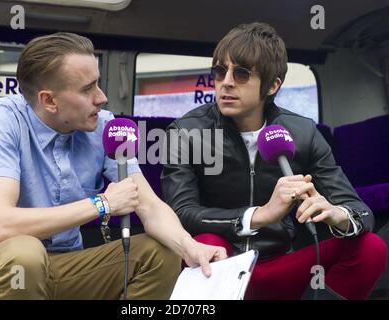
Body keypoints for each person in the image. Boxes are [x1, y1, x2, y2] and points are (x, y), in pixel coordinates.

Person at [0, 32, 226, 300]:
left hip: (67, 268)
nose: (102, 97)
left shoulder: (105, 125)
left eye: (98, 83)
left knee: (161, 251)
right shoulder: (2, 119)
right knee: (25, 253)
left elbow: (150, 206)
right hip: (1, 272)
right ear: (49, 100)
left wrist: (191, 247)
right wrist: (102, 204)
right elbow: (1, 227)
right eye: (87, 89)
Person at [161, 22, 387, 300]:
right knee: (207, 243)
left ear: (272, 85)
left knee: (371, 248)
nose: (226, 82)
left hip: (279, 265)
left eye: (241, 74)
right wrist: (261, 215)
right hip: (219, 263)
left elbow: (361, 212)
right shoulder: (186, 131)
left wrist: (336, 214)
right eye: (220, 71)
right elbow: (181, 211)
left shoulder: (303, 134)